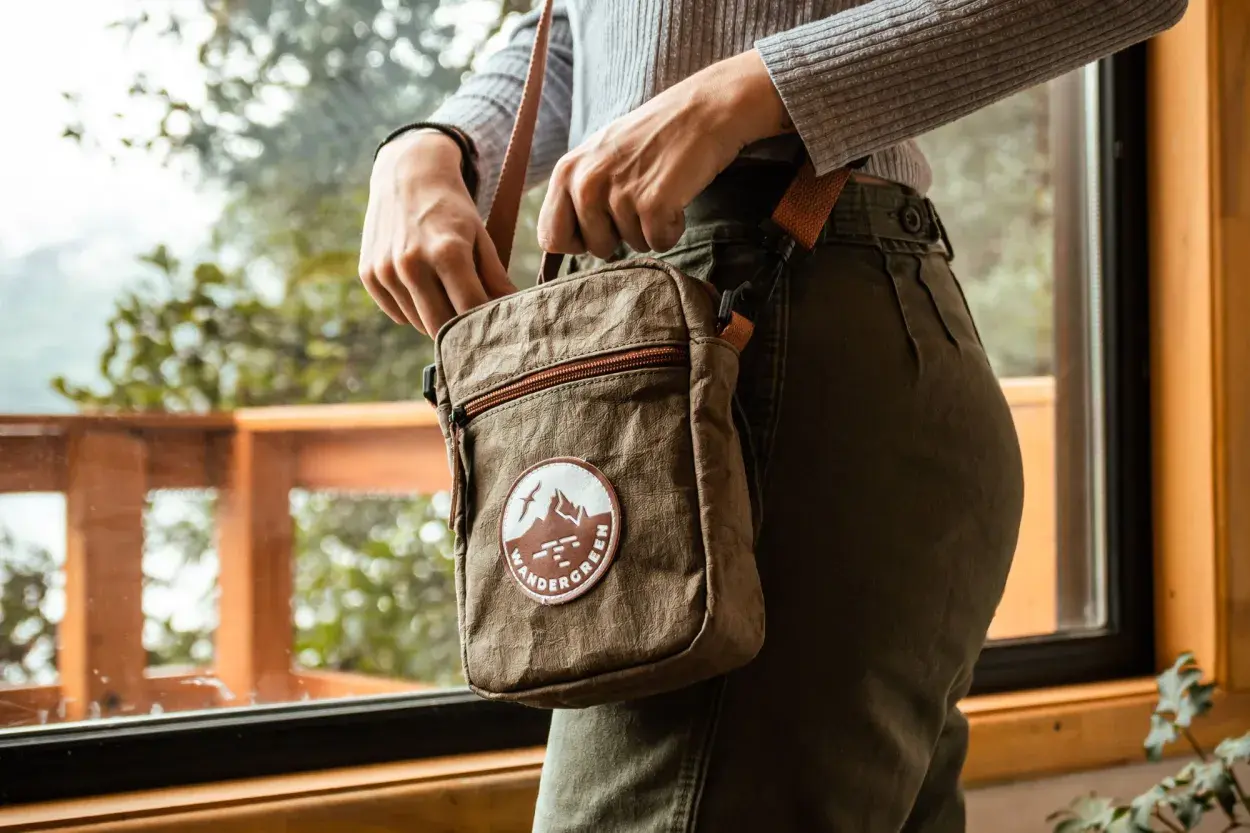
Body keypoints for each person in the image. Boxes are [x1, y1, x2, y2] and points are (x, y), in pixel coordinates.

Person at [358, 1, 1187, 830]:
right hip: (736, 342)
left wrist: (747, 92)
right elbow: (591, 24)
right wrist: (439, 143)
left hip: (773, 316)